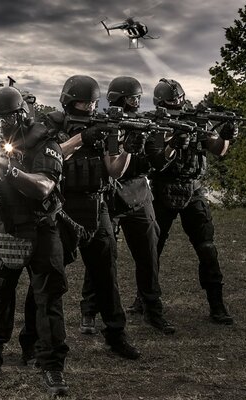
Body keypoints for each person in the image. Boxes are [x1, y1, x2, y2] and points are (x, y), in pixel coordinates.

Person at [0, 86, 69, 396]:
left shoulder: (42, 141)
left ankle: (51, 365)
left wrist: (12, 171)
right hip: (2, 231)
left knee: (48, 299)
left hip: (39, 227)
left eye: (6, 118)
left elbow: (44, 187)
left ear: (21, 115)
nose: (0, 125)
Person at [45, 75, 140, 359]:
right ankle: (41, 340)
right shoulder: (52, 124)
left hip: (97, 207)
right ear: (68, 101)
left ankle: (115, 333)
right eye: (83, 102)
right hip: (62, 208)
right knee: (50, 277)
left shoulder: (104, 127)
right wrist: (82, 137)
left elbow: (115, 171)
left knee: (106, 275)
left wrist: (127, 148)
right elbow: (51, 156)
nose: (89, 107)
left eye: (93, 102)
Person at [145, 78, 234, 325]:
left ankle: (217, 304)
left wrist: (225, 135)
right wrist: (173, 139)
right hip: (162, 189)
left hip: (193, 189)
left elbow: (218, 149)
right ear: (161, 102)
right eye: (171, 100)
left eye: (179, 98)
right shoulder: (156, 122)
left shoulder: (197, 118)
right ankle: (145, 299)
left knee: (207, 247)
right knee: (152, 249)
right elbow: (155, 157)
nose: (177, 103)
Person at [93, 76, 175, 334]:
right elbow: (110, 164)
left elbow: (158, 161)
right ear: (118, 99)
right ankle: (90, 310)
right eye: (132, 98)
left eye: (139, 98)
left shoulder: (144, 125)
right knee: (103, 257)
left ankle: (152, 309)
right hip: (110, 194)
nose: (137, 103)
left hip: (139, 194)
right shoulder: (107, 125)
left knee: (148, 255)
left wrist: (174, 145)